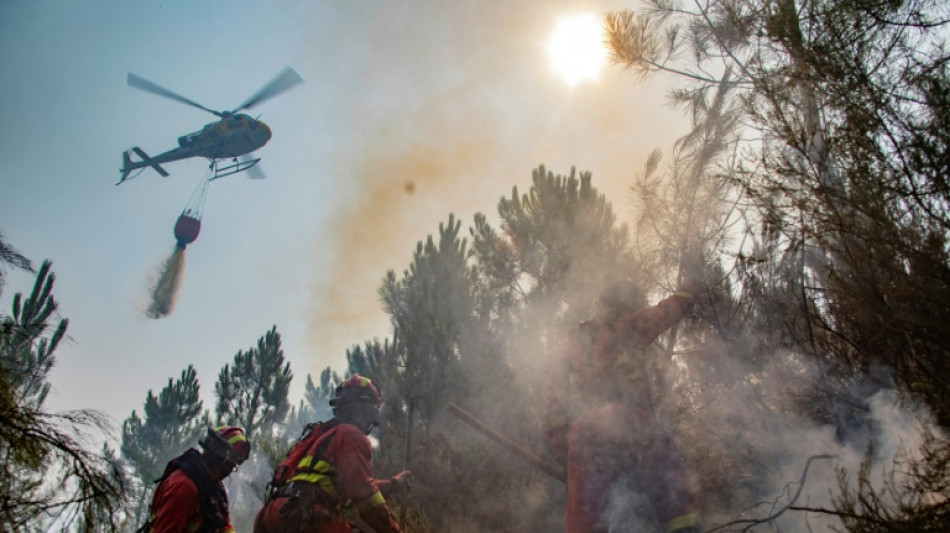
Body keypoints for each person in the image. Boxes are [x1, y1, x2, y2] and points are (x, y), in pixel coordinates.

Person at [544, 274, 702, 533]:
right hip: (627, 423)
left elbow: (553, 407)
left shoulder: (570, 346)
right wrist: (692, 284)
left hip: (582, 438)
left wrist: (565, 452)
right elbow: (669, 310)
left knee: (585, 514)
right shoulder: (625, 327)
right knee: (671, 490)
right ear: (626, 307)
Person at [254, 374, 412, 533]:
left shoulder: (321, 435)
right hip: (305, 516)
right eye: (373, 410)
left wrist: (394, 484)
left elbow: (354, 483)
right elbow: (365, 497)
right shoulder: (351, 435)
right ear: (365, 410)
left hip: (273, 514)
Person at [140, 425, 251, 533]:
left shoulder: (215, 489)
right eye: (232, 463)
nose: (231, 469)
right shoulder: (183, 488)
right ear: (224, 461)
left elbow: (223, 525)